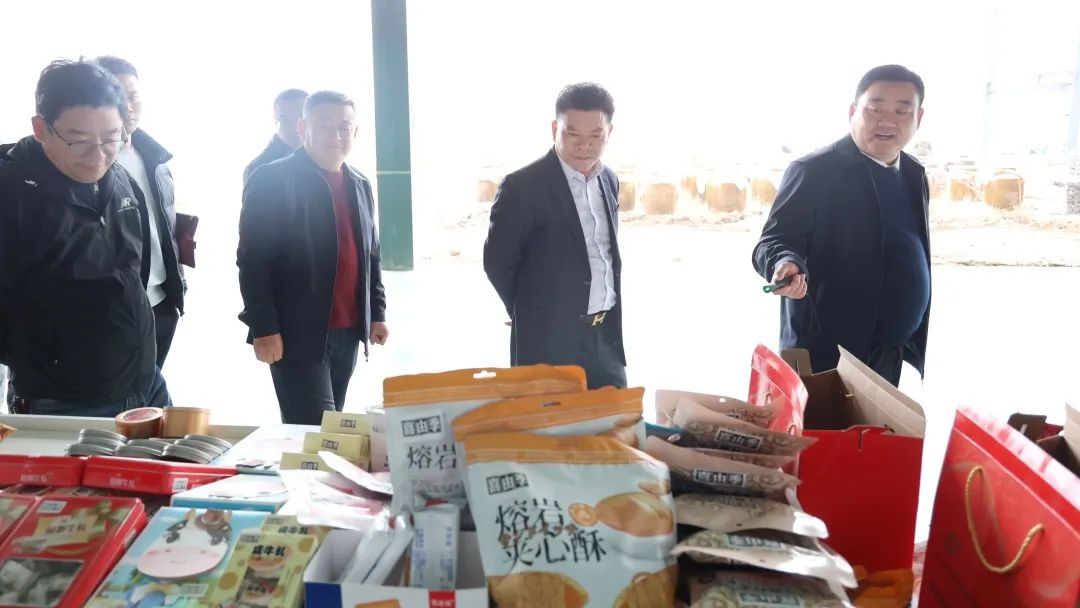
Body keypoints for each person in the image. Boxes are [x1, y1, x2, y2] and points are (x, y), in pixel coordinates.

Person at [0, 59, 169, 416]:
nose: (98, 155)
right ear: (41, 128)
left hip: (145, 378)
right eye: (78, 140)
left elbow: (132, 272)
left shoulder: (120, 178)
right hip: (62, 399)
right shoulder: (11, 193)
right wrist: (46, 359)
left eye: (111, 138)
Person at [752, 64, 931, 386]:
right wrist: (783, 262)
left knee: (878, 420)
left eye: (902, 111)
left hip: (890, 349)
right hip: (826, 349)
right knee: (822, 419)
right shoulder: (814, 171)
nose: (887, 121)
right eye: (875, 108)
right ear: (852, 112)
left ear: (918, 118)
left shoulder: (912, 174)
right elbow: (774, 240)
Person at [238, 90, 388, 424]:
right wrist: (264, 328)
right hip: (297, 332)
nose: (335, 135)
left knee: (331, 427)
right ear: (303, 127)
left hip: (348, 329)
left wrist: (376, 312)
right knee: (314, 429)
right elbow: (253, 262)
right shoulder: (271, 179)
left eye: (344, 127)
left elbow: (371, 254)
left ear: (355, 131)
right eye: (324, 126)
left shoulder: (359, 183)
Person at [483, 82, 626, 390]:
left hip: (605, 338)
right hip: (547, 341)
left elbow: (605, 254)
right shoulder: (522, 187)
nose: (584, 145)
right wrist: (528, 309)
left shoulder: (609, 180)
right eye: (572, 134)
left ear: (609, 132)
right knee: (550, 420)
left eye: (595, 135)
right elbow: (498, 262)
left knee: (616, 416)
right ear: (554, 129)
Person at [96, 56, 186, 368]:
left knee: (150, 395)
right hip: (114, 313)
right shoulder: (89, 163)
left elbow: (165, 230)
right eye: (116, 97)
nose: (128, 107)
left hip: (161, 303)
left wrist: (178, 288)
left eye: (133, 96)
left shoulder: (155, 159)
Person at [243, 88, 307, 184]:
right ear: (275, 120)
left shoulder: (325, 159)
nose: (295, 126)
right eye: (286, 119)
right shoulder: (258, 169)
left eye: (301, 117)